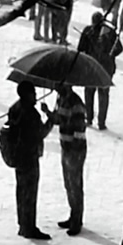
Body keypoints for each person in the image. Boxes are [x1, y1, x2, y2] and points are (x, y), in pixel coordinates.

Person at [6, 81, 54, 240]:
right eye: (33, 93)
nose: (35, 96)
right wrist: (51, 119)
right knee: (30, 193)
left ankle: (22, 224)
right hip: (29, 157)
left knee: (21, 191)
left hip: (17, 156)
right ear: (27, 94)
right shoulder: (31, 114)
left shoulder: (15, 108)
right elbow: (40, 133)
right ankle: (29, 227)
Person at [44, 85, 88, 236]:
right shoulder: (61, 99)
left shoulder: (76, 103)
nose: (55, 86)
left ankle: (77, 220)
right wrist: (48, 113)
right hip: (66, 146)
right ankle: (73, 215)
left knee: (75, 185)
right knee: (68, 184)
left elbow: (80, 128)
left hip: (74, 149)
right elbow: (59, 119)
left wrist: (74, 149)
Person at [77, 11, 123, 130]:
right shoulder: (108, 32)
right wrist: (110, 55)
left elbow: (80, 48)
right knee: (101, 93)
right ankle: (99, 121)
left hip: (93, 66)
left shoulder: (90, 31)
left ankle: (91, 118)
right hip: (104, 67)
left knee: (91, 92)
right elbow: (119, 48)